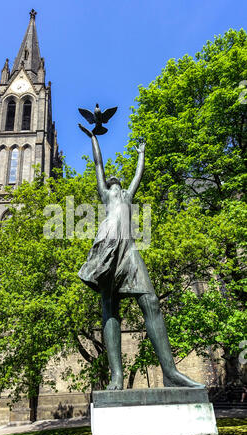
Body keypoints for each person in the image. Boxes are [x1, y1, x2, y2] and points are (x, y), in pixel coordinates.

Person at [78, 124, 204, 390]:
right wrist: (93, 138)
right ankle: (116, 377)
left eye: (116, 182)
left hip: (130, 251)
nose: (113, 182)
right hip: (108, 250)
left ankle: (170, 372)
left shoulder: (126, 195)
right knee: (109, 310)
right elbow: (98, 165)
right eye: (110, 183)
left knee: (152, 303)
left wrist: (142, 153)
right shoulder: (105, 195)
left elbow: (138, 174)